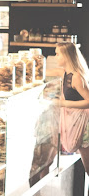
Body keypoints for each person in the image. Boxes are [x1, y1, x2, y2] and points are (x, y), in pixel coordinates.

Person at [47, 42, 89, 174]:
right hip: (78, 124)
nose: (56, 57)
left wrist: (63, 104)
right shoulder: (65, 73)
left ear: (66, 56)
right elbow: (45, 72)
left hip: (85, 126)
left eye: (58, 54)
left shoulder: (76, 77)